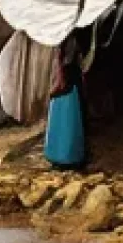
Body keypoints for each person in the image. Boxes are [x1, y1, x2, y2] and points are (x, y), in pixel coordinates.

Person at [43, 35, 86, 170]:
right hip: (67, 78)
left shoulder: (69, 38)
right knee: (67, 119)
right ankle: (64, 156)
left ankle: (68, 156)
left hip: (70, 78)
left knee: (69, 119)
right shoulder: (64, 39)